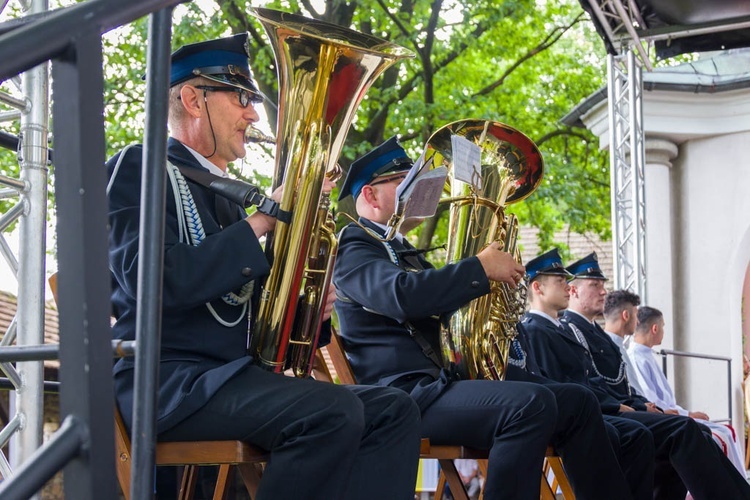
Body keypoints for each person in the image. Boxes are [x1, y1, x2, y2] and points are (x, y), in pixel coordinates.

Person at [106, 34, 422, 500]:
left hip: (231, 378)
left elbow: (254, 318)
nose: (253, 114)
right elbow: (152, 279)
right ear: (194, 100)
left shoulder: (233, 197)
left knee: (394, 410)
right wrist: (260, 221)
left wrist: (310, 307)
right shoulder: (141, 166)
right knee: (330, 413)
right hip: (169, 382)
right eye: (241, 98)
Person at [333, 137, 635, 500]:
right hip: (408, 396)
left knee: (578, 402)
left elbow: (436, 303)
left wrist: (492, 290)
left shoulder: (399, 249)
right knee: (529, 405)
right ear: (370, 195)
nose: (417, 189)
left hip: (440, 385)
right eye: (402, 181)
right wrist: (478, 267)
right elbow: (401, 295)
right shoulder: (354, 245)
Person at [558, 253, 750, 499]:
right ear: (573, 291)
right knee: (683, 430)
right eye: (595, 285)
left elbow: (618, 384)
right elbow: (585, 384)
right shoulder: (570, 330)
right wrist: (623, 405)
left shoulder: (594, 332)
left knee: (697, 434)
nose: (603, 292)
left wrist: (640, 404)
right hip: (604, 414)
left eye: (604, 285)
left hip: (622, 408)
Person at [515, 249, 655, 500]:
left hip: (588, 409)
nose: (568, 287)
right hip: (570, 414)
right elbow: (556, 383)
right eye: (560, 281)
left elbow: (589, 379)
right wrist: (616, 406)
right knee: (630, 433)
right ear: (538, 287)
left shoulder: (563, 331)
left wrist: (623, 404)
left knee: (639, 435)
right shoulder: (534, 330)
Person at [624, 303, 746, 474]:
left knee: (725, 431)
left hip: (673, 414)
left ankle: (738, 487)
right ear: (654, 328)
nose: (663, 332)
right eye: (663, 327)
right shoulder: (636, 358)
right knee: (720, 436)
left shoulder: (646, 354)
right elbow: (653, 401)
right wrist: (687, 414)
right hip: (663, 418)